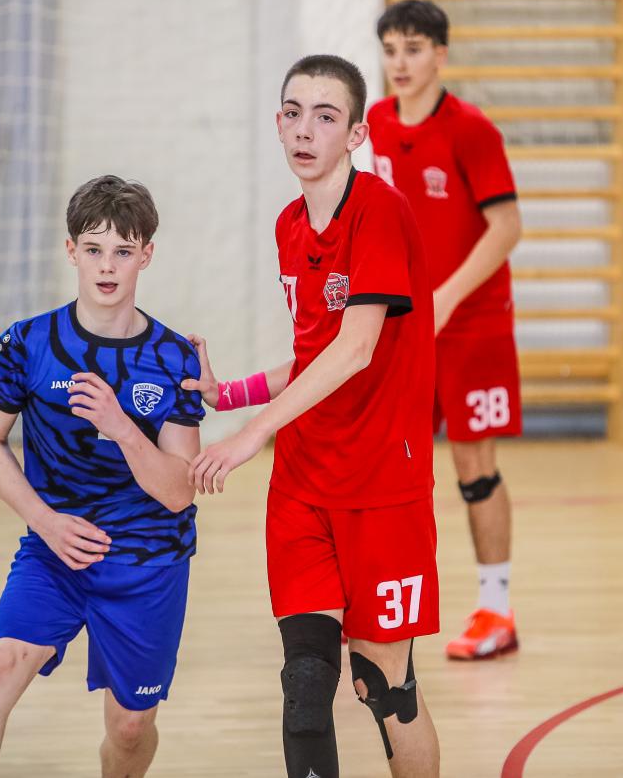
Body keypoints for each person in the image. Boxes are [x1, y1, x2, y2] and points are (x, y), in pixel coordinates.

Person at [186, 55, 440, 778]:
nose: (305, 130)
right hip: (303, 481)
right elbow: (313, 355)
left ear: (356, 133)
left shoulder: (380, 211)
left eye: (325, 116)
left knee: (383, 687)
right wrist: (230, 393)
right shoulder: (289, 225)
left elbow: (356, 348)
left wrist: (252, 432)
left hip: (381, 483)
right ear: (277, 123)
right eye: (293, 113)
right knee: (305, 684)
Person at [0, 176, 205, 778]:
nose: (107, 266)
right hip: (54, 549)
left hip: (147, 557)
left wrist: (122, 426)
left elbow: (178, 491)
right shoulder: (26, 344)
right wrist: (45, 522)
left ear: (146, 255)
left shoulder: (173, 357)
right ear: (71, 251)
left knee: (130, 727)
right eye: (93, 249)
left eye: (123, 251)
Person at [367, 0, 523, 660]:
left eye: (413, 49)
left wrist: (447, 297)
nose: (399, 63)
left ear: (440, 55)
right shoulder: (375, 122)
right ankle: (383, 604)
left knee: (473, 465)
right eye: (390, 50)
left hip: (471, 323)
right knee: (390, 462)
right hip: (405, 322)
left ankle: (497, 609)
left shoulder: (471, 130)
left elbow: (507, 226)